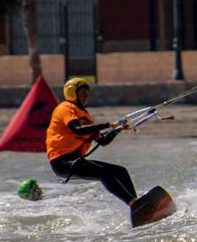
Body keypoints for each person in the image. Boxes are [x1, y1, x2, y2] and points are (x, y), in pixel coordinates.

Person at [46, 78, 137, 208]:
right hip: (62, 162)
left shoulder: (85, 116)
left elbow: (102, 141)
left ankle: (137, 204)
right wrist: (107, 124)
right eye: (83, 93)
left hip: (76, 161)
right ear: (73, 93)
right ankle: (132, 203)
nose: (86, 97)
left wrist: (116, 130)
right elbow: (77, 130)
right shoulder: (65, 108)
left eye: (87, 94)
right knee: (104, 173)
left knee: (121, 171)